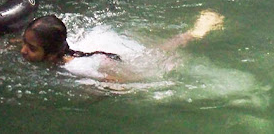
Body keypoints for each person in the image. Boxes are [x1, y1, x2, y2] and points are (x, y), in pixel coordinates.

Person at [20, 10, 224, 82]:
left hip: (109, 61)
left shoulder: (76, 69)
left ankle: (194, 33)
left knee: (155, 55)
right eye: (24, 43)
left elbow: (116, 82)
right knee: (152, 51)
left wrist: (94, 94)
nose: (23, 51)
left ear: (51, 54)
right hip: (96, 45)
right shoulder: (57, 47)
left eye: (31, 48)